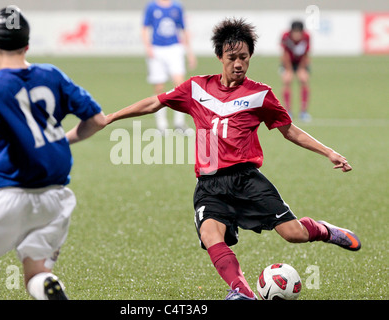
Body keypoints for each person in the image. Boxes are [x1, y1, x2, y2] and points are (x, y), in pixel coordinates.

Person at [106, 18, 361, 300]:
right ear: (220, 57)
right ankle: (242, 292)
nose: (238, 64)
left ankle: (324, 230)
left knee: (294, 234)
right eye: (232, 58)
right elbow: (156, 101)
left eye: (244, 57)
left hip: (246, 180)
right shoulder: (197, 88)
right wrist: (112, 117)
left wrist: (329, 152)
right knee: (210, 234)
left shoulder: (259, 94)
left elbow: (288, 130)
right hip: (209, 182)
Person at [0, 6, 106, 300]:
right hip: (55, 196)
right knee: (36, 271)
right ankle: (46, 286)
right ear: (28, 43)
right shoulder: (52, 75)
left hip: (6, 193)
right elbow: (97, 120)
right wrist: (61, 140)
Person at [142, 0, 197, 134]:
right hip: (157, 49)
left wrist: (190, 53)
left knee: (180, 85)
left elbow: (184, 29)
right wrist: (148, 47)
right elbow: (144, 28)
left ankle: (179, 123)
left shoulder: (177, 7)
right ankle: (162, 126)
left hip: (174, 49)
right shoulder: (152, 7)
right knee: (159, 87)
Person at [280, 20, 311, 121]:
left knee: (304, 79)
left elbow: (306, 54)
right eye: (295, 32)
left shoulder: (307, 37)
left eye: (299, 32)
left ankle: (303, 111)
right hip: (288, 62)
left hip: (301, 62)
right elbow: (285, 54)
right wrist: (288, 69)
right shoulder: (285, 36)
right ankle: (288, 111)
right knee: (287, 80)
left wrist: (301, 68)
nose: (297, 35)